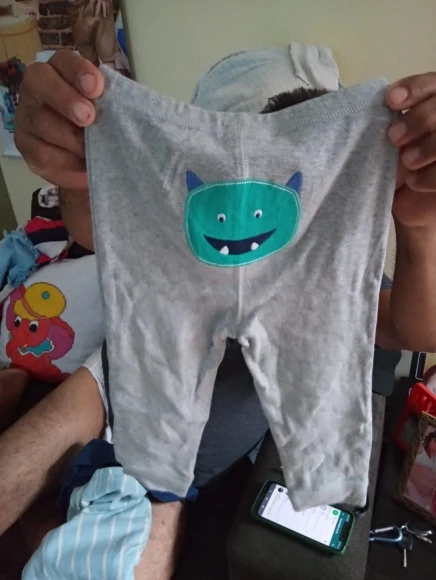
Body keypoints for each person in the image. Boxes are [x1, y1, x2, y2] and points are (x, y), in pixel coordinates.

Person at [5, 48, 436, 577]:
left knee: (142, 503)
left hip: (181, 458)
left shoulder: (329, 263)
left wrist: (417, 222)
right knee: (63, 433)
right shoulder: (174, 230)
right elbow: (97, 234)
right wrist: (87, 160)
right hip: (121, 371)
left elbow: (415, 327)